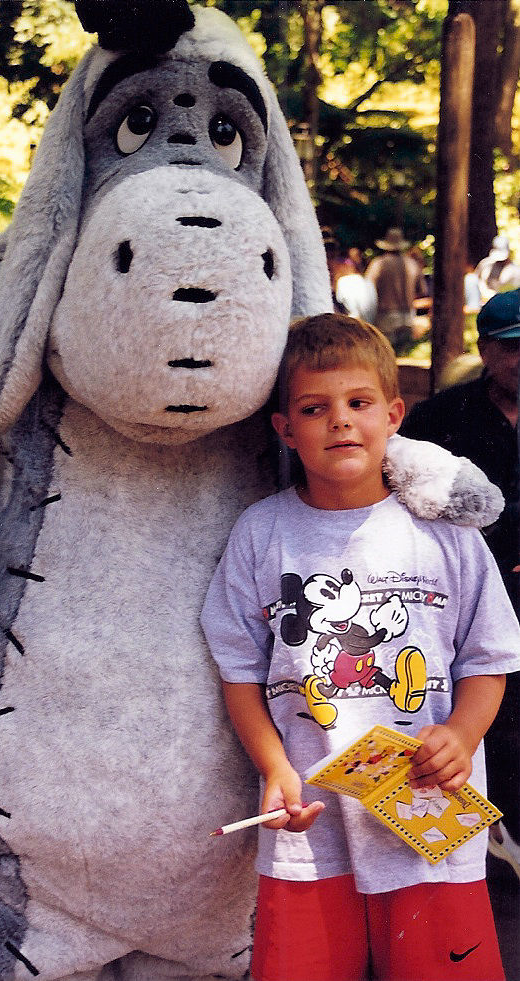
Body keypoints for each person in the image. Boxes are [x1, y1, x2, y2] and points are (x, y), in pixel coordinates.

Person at [201, 313, 520, 981]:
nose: (340, 421)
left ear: (394, 414)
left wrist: (462, 735)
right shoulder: (260, 534)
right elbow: (238, 670)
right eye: (314, 408)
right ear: (285, 428)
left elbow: (489, 657)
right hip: (307, 829)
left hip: (430, 823)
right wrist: (274, 768)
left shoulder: (448, 536)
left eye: (359, 402)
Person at [401, 289, 520, 880]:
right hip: (471, 594)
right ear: (486, 350)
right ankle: (488, 839)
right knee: (484, 715)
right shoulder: (440, 419)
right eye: (512, 347)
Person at [365, 228, 428, 352]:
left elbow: (367, 289)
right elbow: (422, 290)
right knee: (405, 351)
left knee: (387, 353)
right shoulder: (413, 264)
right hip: (408, 314)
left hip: (385, 315)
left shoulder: (378, 264)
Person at [475, 235, 520, 301]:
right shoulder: (486, 264)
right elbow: (477, 280)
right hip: (483, 299)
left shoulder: (515, 271)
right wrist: (484, 291)